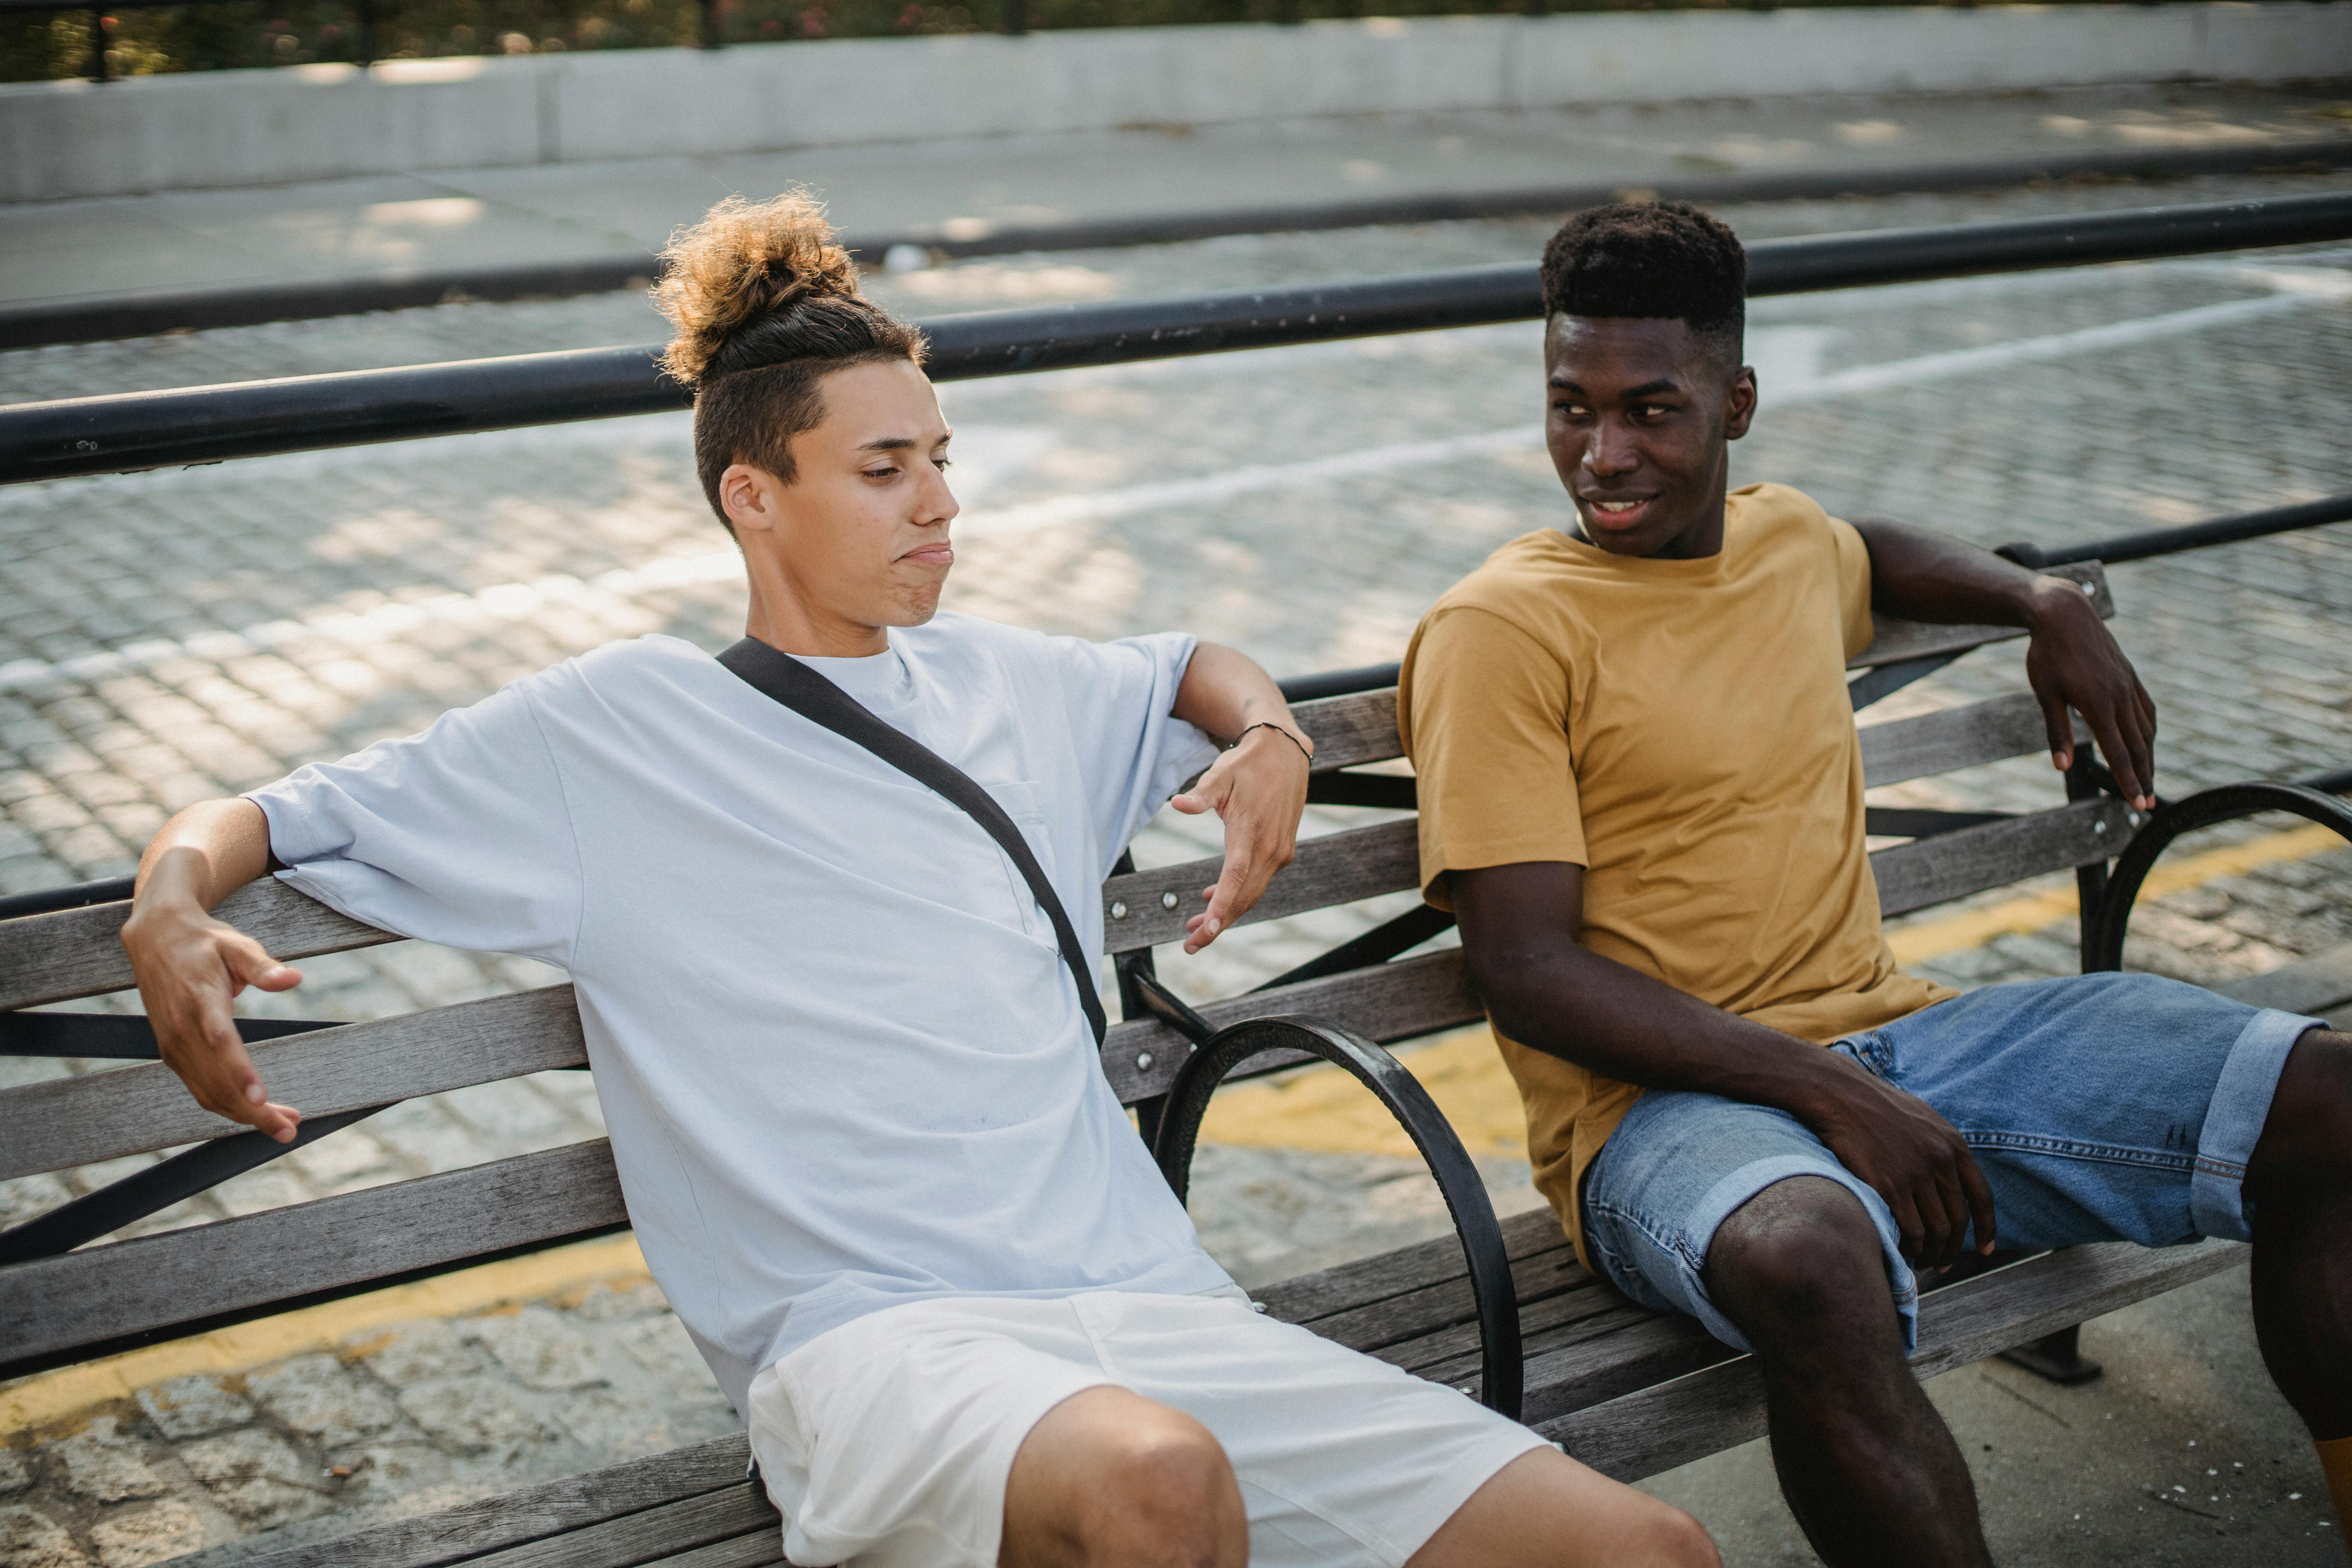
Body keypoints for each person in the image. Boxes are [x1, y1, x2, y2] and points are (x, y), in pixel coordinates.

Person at [119, 194, 1715, 1568]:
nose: (941, 503)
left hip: (1152, 1306)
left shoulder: (1004, 684)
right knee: (1161, 1482)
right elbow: (273, 811)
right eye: (884, 470)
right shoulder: (610, 729)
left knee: (1651, 1546)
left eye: (940, 458)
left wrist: (1276, 731)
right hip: (875, 1351)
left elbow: (1188, 664)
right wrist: (167, 900)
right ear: (758, 496)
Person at [1400, 200, 2352, 1567]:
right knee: (1812, 1256)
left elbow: (1867, 551)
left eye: (1652, 412)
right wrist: (1837, 1093)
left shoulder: (1784, 542)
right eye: (1571, 408)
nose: (1602, 457)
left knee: (2327, 1100)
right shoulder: (1505, 627)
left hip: (1907, 1038)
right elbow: (1526, 972)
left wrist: (2044, 603)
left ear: (1737, 404)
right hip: (1665, 1117)